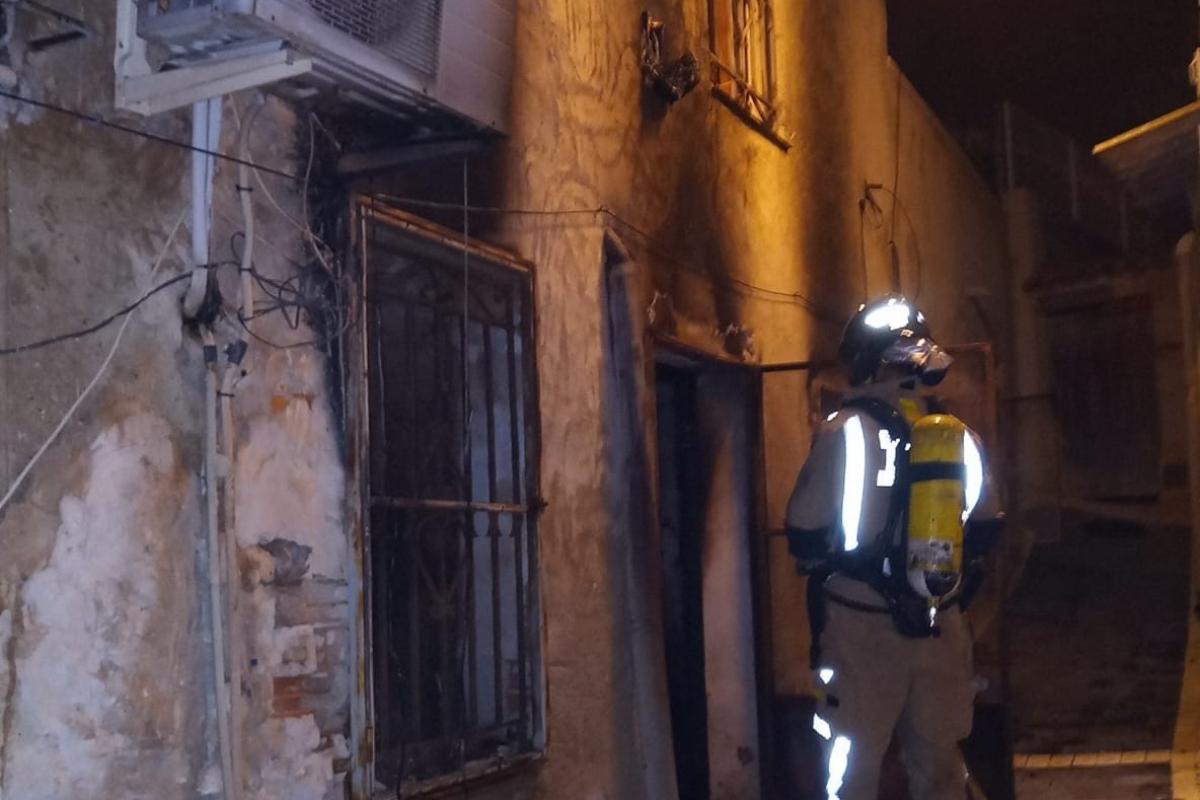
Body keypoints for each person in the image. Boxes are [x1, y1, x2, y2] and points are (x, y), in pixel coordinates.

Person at [785, 296, 1002, 800]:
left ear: (862, 359)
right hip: (940, 624)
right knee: (941, 767)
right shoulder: (958, 437)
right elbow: (988, 525)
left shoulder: (843, 432)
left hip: (861, 628)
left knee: (850, 770)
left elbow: (803, 527)